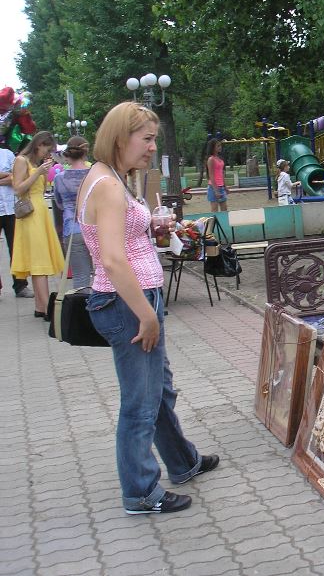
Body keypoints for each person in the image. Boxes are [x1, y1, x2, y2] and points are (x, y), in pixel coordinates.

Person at [76, 102, 219, 514]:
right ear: (122, 137)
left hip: (134, 300)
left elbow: (124, 242)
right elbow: (113, 259)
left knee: (160, 391)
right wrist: (146, 314)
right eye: (148, 139)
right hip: (128, 304)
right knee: (140, 403)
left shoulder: (113, 178)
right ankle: (140, 491)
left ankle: (182, 461)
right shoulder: (106, 184)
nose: (152, 148)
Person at [11, 131, 65, 318]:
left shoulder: (36, 163)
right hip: (31, 213)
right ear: (38, 145)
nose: (46, 153)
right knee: (39, 261)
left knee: (40, 260)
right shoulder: (22, 161)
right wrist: (39, 173)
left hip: (40, 212)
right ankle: (45, 306)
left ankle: (40, 306)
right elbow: (18, 189)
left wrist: (43, 171)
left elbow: (41, 188)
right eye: (46, 149)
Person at [53, 136, 94, 288]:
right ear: (86, 151)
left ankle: (81, 310)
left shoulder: (59, 178)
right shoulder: (94, 174)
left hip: (72, 229)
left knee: (80, 277)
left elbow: (60, 204)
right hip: (96, 228)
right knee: (104, 275)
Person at [0, 146, 33, 298]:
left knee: (16, 248)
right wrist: (8, 176)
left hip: (12, 210)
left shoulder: (6, 154)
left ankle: (20, 285)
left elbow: (18, 177)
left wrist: (8, 176)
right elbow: (12, 176)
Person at [206, 138, 227, 212]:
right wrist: (216, 191)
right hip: (213, 187)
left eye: (220, 146)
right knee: (215, 210)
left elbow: (221, 174)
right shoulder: (211, 159)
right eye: (218, 146)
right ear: (213, 147)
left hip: (221, 187)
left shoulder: (220, 159)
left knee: (224, 209)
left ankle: (223, 223)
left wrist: (225, 187)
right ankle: (213, 223)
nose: (220, 147)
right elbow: (211, 175)